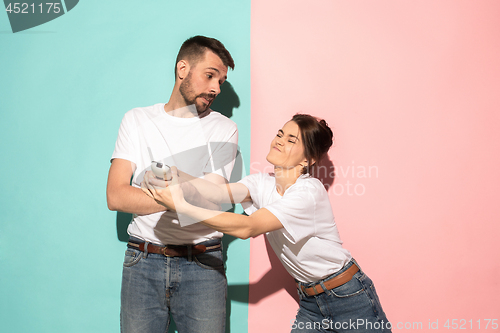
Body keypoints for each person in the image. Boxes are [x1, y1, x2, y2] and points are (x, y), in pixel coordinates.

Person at [142, 114, 392, 333]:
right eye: (280, 134)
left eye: (291, 140)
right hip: (310, 300)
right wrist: (176, 175)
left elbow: (247, 228)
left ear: (308, 160)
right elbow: (216, 193)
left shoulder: (307, 192)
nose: (279, 140)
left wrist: (181, 206)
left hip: (348, 295)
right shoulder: (261, 183)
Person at [106, 36, 238, 333]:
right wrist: (187, 191)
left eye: (221, 81)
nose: (216, 88)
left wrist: (154, 192)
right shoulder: (137, 120)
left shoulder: (224, 129)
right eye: (209, 76)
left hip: (203, 263)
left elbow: (213, 198)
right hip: (143, 261)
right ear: (182, 69)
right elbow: (116, 196)